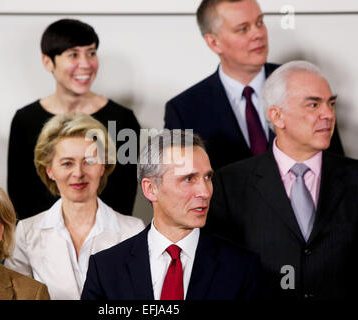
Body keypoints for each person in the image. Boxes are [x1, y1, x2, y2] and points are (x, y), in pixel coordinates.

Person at [207, 61, 358, 300]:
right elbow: (221, 274)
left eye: (331, 104)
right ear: (277, 116)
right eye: (313, 104)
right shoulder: (229, 184)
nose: (328, 114)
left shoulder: (354, 178)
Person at [164, 0, 343, 170]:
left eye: (259, 23)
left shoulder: (306, 83)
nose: (258, 34)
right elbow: (178, 188)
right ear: (214, 42)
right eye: (243, 29)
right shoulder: (184, 110)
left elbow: (337, 171)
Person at [81, 130, 260, 300]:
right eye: (189, 179)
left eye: (207, 178)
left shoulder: (242, 268)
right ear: (151, 189)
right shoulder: (106, 269)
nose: (205, 192)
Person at [8, 19, 141, 220]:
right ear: (48, 61)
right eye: (73, 55)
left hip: (108, 240)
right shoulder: (25, 120)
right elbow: (20, 195)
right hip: (40, 241)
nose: (86, 64)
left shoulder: (122, 119)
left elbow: (125, 192)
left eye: (91, 53)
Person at [5, 113, 144, 299]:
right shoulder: (26, 233)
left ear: (103, 166)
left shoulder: (134, 230)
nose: (78, 173)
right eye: (67, 163)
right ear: (49, 170)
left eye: (89, 161)